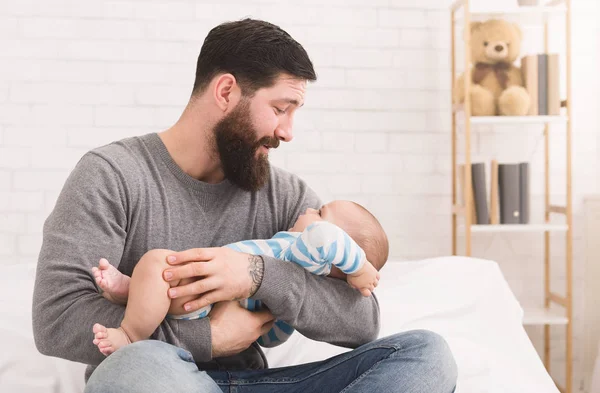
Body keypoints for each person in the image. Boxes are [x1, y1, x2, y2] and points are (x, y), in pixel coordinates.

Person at [32, 18, 457, 393]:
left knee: (425, 354)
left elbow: (363, 321)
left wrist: (257, 275)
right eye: (280, 108)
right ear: (226, 91)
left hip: (262, 383)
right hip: (162, 380)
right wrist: (209, 340)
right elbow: (57, 319)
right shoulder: (112, 174)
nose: (288, 132)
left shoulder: (287, 196)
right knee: (132, 370)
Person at [91, 199, 389, 355]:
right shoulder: (298, 255)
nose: (310, 208)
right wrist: (215, 336)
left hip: (206, 296)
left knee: (159, 262)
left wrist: (360, 268)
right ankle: (133, 291)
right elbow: (273, 336)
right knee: (164, 278)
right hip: (205, 310)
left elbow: (324, 236)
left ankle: (130, 334)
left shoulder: (306, 254)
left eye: (321, 211)